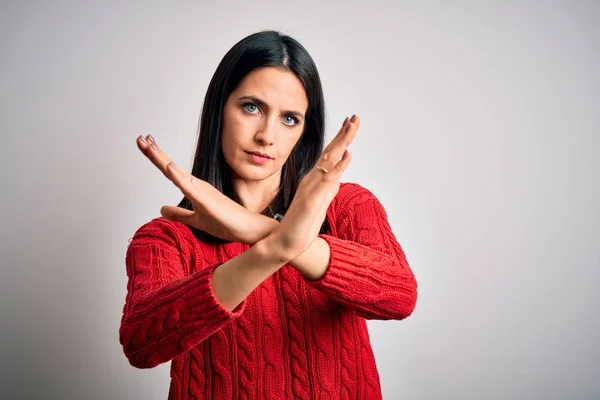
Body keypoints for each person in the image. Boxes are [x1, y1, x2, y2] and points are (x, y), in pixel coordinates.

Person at [119, 30, 418, 400]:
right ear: (220, 110)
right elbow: (141, 343)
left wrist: (258, 230)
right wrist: (275, 247)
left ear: (304, 131)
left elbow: (399, 294)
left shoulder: (346, 206)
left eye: (289, 119)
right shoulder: (168, 237)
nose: (267, 136)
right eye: (251, 107)